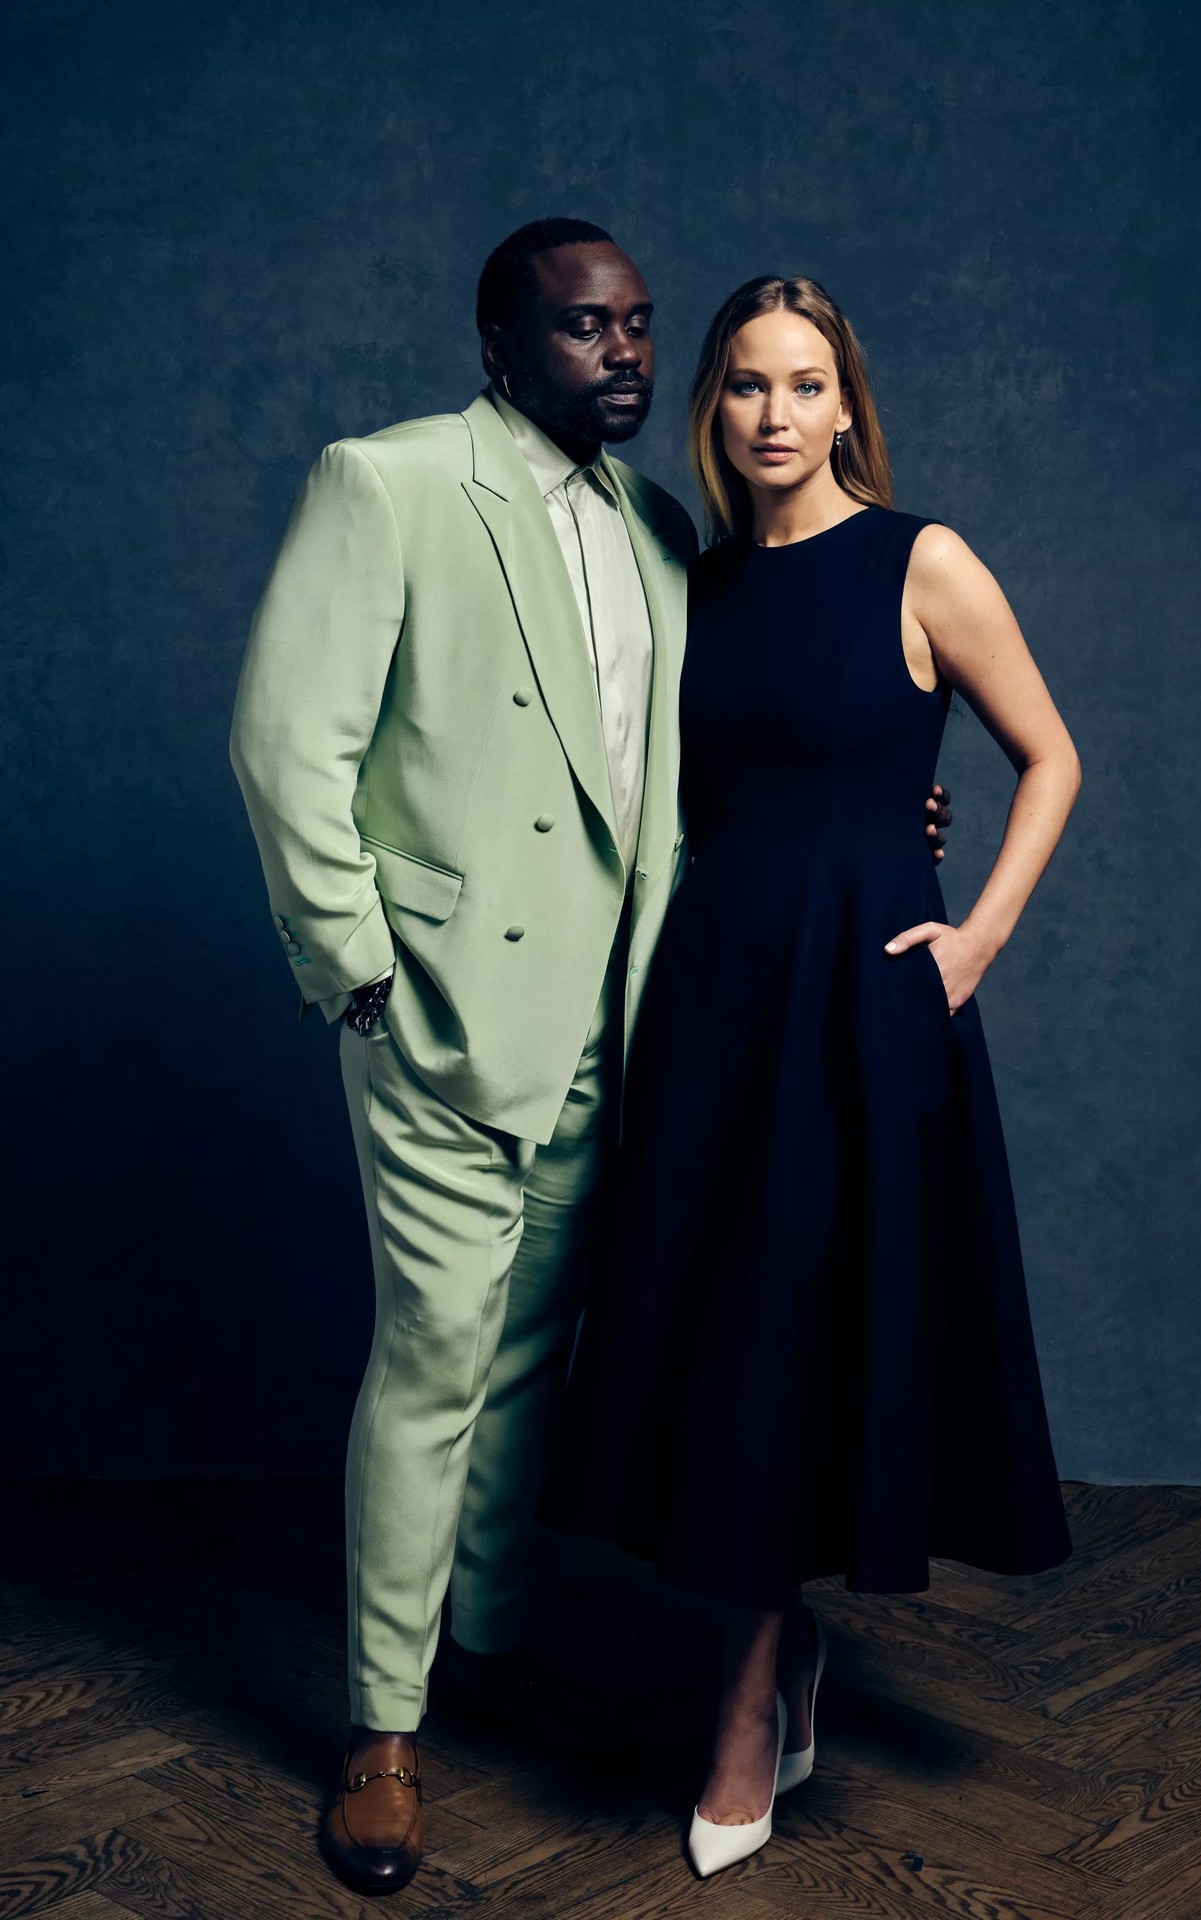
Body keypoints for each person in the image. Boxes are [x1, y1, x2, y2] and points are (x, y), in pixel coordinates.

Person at [229, 220, 962, 1895]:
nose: (622, 354)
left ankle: (483, 1646)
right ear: (500, 346)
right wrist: (359, 977)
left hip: (620, 1035)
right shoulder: (390, 481)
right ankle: (382, 1736)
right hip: (440, 1018)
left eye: (637, 326)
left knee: (528, 1362)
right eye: (582, 328)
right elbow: (284, 742)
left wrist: (880, 805)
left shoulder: (658, 527)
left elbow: (706, 760)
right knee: (434, 1360)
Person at [540, 273, 1080, 1879]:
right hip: (716, 1002)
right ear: (714, 408)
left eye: (804, 384)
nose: (773, 413)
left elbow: (1050, 755)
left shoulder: (924, 561)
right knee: (731, 1347)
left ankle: (745, 1710)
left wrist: (975, 938)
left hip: (861, 1006)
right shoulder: (693, 584)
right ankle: (775, 1662)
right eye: (744, 384)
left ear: (848, 406)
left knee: (800, 1339)